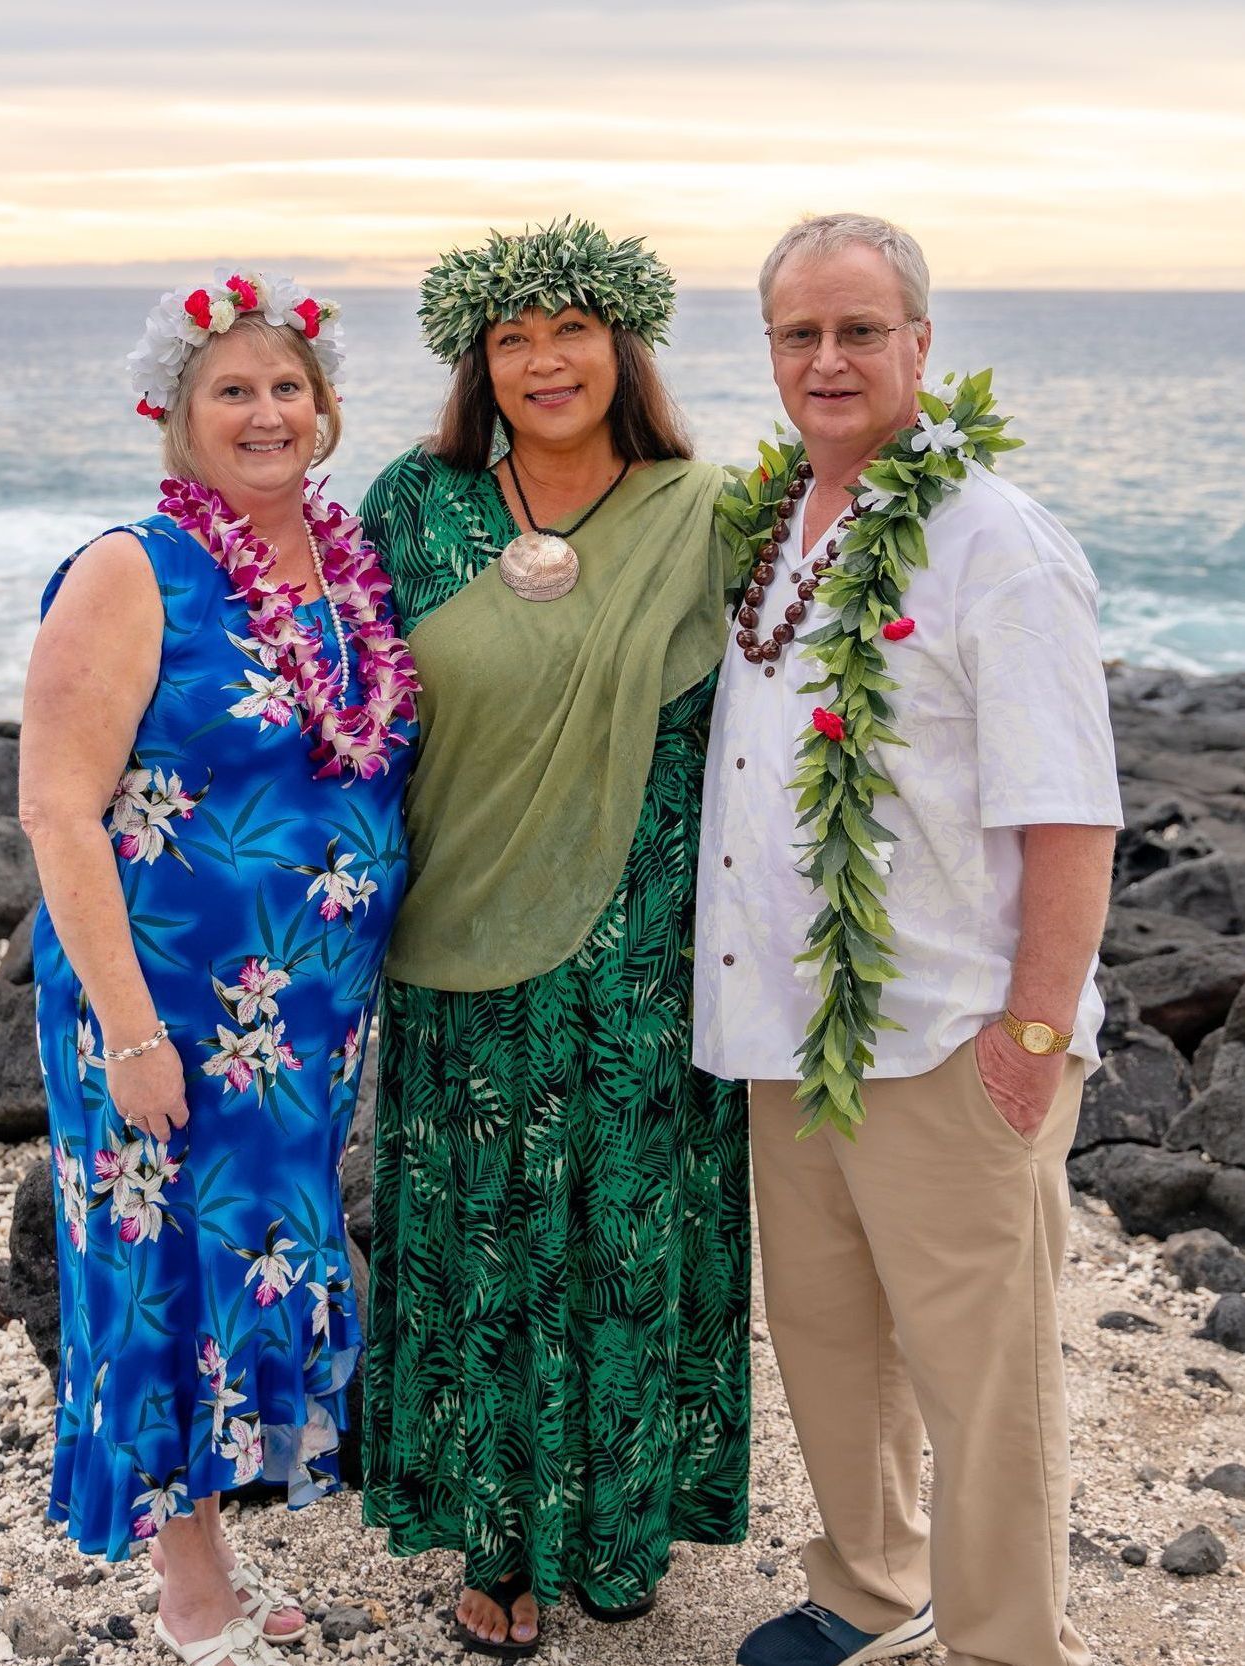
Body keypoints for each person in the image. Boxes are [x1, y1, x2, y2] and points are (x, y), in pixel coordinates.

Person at [694, 214, 1121, 1666]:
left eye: (860, 330)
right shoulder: (775, 532)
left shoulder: (994, 541)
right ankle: (875, 1588)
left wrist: (1036, 1034)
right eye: (800, 334)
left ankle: (1008, 1644)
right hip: (789, 1031)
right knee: (825, 1342)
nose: (828, 358)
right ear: (770, 354)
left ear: (920, 345)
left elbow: (1071, 811)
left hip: (949, 1033)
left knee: (982, 1381)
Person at [358, 219, 751, 1657]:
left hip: (650, 952)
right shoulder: (417, 502)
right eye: (512, 338)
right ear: (480, 361)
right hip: (465, 940)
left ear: (623, 346)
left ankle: (623, 1528)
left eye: (569, 331)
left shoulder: (707, 509)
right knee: (488, 1234)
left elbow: (798, 685)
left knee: (632, 1235)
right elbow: (334, 694)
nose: (543, 361)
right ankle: (497, 1539)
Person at [19, 271, 417, 1666]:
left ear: (328, 408)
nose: (265, 413)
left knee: (253, 1257)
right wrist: (131, 1030)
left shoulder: (347, 568)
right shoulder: (134, 567)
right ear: (176, 413)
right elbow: (56, 808)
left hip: (303, 1024)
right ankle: (190, 1589)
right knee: (161, 1265)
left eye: (287, 387)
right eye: (231, 389)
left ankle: (226, 1543)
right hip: (169, 1006)